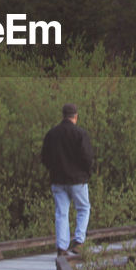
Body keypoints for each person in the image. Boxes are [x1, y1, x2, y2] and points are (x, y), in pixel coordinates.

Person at [40, 102, 94, 257]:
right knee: (83, 209)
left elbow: (44, 157)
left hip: (58, 180)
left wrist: (53, 170)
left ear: (63, 116)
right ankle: (79, 241)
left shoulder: (51, 134)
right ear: (76, 117)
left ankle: (62, 248)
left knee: (61, 213)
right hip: (78, 180)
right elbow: (87, 158)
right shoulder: (80, 134)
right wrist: (86, 174)